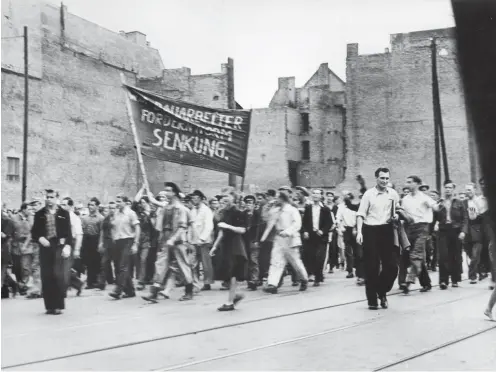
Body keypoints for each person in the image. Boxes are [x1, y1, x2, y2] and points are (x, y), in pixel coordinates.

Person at [357, 168, 400, 310]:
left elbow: (397, 210)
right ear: (376, 178)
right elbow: (361, 214)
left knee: (392, 267)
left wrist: (396, 216)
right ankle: (372, 300)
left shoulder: (392, 194)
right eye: (382, 178)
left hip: (386, 230)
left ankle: (381, 291)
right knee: (372, 267)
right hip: (370, 230)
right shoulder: (368, 195)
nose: (385, 181)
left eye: (387, 178)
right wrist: (359, 232)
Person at [142, 182, 192, 302]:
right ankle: (154, 293)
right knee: (160, 265)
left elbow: (182, 227)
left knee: (183, 266)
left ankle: (189, 291)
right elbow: (159, 226)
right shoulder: (165, 208)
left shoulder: (181, 209)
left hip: (178, 241)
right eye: (165, 190)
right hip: (165, 240)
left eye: (169, 190)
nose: (166, 193)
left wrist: (173, 239)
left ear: (174, 192)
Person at [31, 189, 73, 315]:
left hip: (59, 245)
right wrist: (40, 238)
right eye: (47, 197)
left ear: (57, 198)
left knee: (58, 275)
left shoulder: (63, 213)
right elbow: (34, 232)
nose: (49, 200)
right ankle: (49, 306)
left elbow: (68, 232)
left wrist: (68, 246)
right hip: (46, 246)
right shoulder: (40, 214)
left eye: (52, 197)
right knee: (47, 275)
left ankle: (58, 305)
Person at [261, 191, 309, 294]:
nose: (276, 200)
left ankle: (304, 279)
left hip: (290, 238)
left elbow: (297, 224)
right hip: (278, 238)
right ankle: (272, 284)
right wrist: (268, 208)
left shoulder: (292, 210)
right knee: (276, 261)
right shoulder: (276, 210)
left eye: (278, 198)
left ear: (283, 198)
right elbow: (267, 219)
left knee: (295, 262)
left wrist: (288, 231)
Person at [399, 176, 440, 294]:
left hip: (422, 228)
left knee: (416, 254)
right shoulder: (405, 199)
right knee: (417, 256)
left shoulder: (424, 197)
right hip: (409, 228)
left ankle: (408, 281)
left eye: (410, 182)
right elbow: (403, 213)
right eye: (407, 182)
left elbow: (435, 207)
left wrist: (435, 206)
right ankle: (426, 283)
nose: (407, 184)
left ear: (417, 184)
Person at [210, 190, 247, 311]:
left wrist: (228, 226)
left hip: (236, 245)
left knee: (233, 273)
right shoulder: (224, 213)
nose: (224, 200)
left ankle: (230, 302)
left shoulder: (238, 212)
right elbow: (221, 232)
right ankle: (235, 295)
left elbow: (242, 230)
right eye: (223, 198)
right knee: (230, 273)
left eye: (227, 198)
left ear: (233, 199)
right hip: (226, 246)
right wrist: (215, 246)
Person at [437, 181, 468, 289]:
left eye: (450, 187)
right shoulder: (440, 202)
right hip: (443, 231)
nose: (448, 189)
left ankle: (455, 279)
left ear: (453, 189)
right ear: (444, 188)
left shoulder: (459, 203)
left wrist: (463, 231)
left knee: (456, 255)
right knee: (443, 255)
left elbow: (465, 218)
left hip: (456, 231)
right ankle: (443, 280)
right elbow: (435, 216)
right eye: (446, 187)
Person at [108, 195, 140, 299]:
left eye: (119, 201)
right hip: (118, 242)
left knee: (123, 266)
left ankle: (118, 290)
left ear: (125, 202)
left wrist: (135, 243)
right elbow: (113, 226)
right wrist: (113, 237)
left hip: (128, 240)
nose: (117, 204)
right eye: (116, 201)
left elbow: (137, 228)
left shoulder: (131, 213)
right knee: (119, 266)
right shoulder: (116, 213)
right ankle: (130, 291)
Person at [301, 189, 332, 286]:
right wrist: (305, 231)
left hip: (321, 237)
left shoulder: (325, 209)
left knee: (320, 257)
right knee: (311, 256)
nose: (315, 195)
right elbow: (304, 222)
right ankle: (314, 274)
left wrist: (323, 231)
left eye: (317, 194)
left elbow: (329, 223)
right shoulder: (308, 208)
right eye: (314, 193)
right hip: (311, 236)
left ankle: (318, 278)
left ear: (321, 196)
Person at [189, 190, 215, 291]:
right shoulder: (193, 210)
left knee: (205, 263)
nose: (194, 200)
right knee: (193, 263)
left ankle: (207, 282)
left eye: (195, 198)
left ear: (200, 198)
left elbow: (209, 226)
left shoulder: (206, 210)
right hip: (194, 240)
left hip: (204, 241)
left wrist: (202, 238)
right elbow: (191, 226)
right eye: (193, 198)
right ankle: (195, 282)